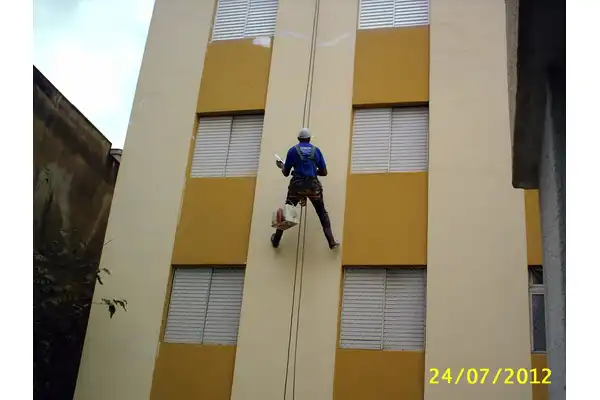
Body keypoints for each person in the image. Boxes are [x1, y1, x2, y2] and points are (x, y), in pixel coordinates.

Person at [271, 128, 340, 250]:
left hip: (296, 187)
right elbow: (324, 172)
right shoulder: (316, 151)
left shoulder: (293, 151)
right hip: (313, 187)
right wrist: (313, 171)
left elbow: (286, 173)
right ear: (309, 139)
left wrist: (281, 165)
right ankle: (332, 242)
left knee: (287, 212)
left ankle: (276, 240)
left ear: (298, 139)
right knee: (322, 213)